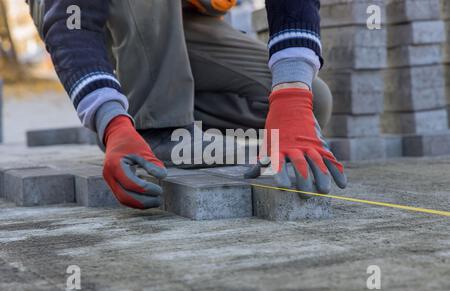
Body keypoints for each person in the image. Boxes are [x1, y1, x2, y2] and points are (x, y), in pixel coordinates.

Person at [27, 0, 347, 209]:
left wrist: (292, 95)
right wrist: (111, 122)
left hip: (178, 20)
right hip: (86, 14)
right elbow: (71, 19)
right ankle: (157, 128)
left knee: (316, 99)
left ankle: (167, 109)